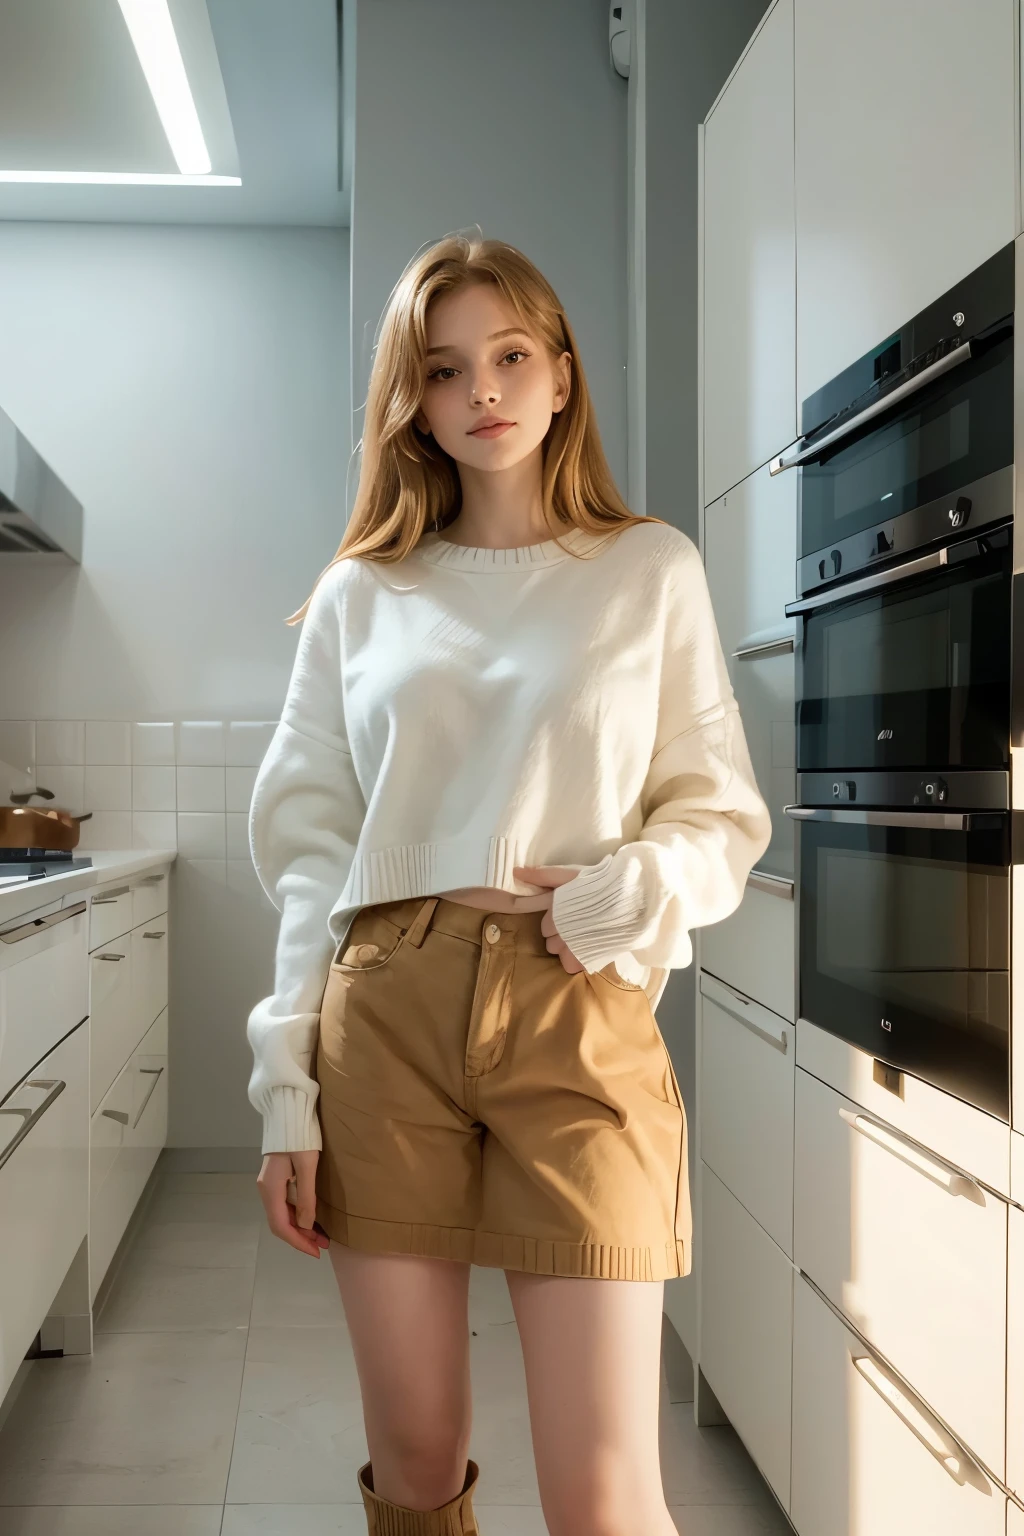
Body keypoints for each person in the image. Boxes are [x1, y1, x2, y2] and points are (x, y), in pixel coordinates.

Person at [245, 232, 771, 1536]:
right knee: (416, 1469)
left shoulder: (648, 571)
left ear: (559, 373)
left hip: (578, 1011)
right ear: (411, 402)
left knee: (605, 1496)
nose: (481, 390)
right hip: (385, 1016)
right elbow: (312, 858)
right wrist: (285, 1094)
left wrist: (635, 885)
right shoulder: (364, 595)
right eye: (441, 369)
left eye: (509, 355)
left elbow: (720, 816)